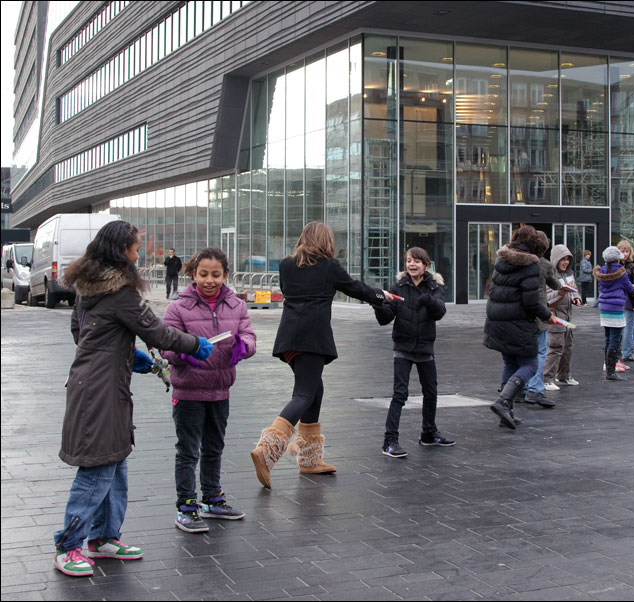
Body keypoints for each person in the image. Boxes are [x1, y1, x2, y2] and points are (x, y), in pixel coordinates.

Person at [53, 221, 213, 577]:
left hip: (95, 382)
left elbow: (80, 332)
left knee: (116, 459)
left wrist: (124, 352)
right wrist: (195, 344)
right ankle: (68, 545)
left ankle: (104, 538)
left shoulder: (87, 287)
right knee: (97, 467)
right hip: (101, 391)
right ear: (120, 251)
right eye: (136, 248)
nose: (138, 254)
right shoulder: (121, 293)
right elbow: (157, 332)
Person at [250, 222, 394, 489]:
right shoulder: (329, 267)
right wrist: (380, 295)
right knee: (304, 393)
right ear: (325, 241)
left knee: (314, 390)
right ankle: (267, 449)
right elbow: (354, 288)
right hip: (313, 338)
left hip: (290, 338)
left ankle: (310, 459)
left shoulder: (286, 265)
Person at [161, 247, 256, 533]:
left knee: (214, 448)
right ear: (193, 274)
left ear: (225, 275)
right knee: (188, 451)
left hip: (220, 390)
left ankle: (212, 498)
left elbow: (249, 336)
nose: (209, 280)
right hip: (189, 391)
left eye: (216, 274)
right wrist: (184, 352)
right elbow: (166, 343)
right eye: (203, 274)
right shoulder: (177, 308)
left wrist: (245, 347)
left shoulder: (236, 305)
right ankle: (187, 505)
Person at [374, 247, 451, 459]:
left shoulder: (435, 286)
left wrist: (428, 300)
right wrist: (379, 305)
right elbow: (385, 318)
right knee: (400, 394)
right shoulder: (399, 285)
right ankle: (390, 440)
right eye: (409, 261)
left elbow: (440, 312)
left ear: (426, 265)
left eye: (417, 261)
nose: (412, 265)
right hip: (403, 347)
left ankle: (428, 433)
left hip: (425, 346)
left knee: (431, 392)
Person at [483, 225, 554, 430]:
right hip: (518, 322)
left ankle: (507, 412)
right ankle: (503, 402)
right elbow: (531, 302)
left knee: (510, 363)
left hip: (497, 320)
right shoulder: (530, 265)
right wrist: (548, 316)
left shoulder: (501, 260)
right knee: (530, 364)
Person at [522, 232, 558, 407]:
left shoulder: (517, 262)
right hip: (538, 313)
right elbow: (555, 284)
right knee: (540, 352)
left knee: (520, 354)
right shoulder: (543, 265)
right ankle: (535, 389)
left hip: (519, 316)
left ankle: (519, 388)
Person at [593, 246, 634, 382]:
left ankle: (608, 366)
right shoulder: (621, 272)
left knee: (608, 337)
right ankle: (611, 371)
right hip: (616, 307)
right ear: (617, 258)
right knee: (615, 338)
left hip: (604, 308)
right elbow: (629, 288)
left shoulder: (601, 271)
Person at [544, 244, 582, 388]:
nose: (565, 262)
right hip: (555, 317)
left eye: (567, 259)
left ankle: (564, 375)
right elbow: (547, 298)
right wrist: (560, 294)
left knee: (568, 347)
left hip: (567, 316)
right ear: (556, 259)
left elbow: (574, 290)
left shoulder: (568, 274)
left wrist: (576, 297)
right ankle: (547, 378)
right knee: (555, 347)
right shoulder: (551, 275)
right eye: (562, 259)